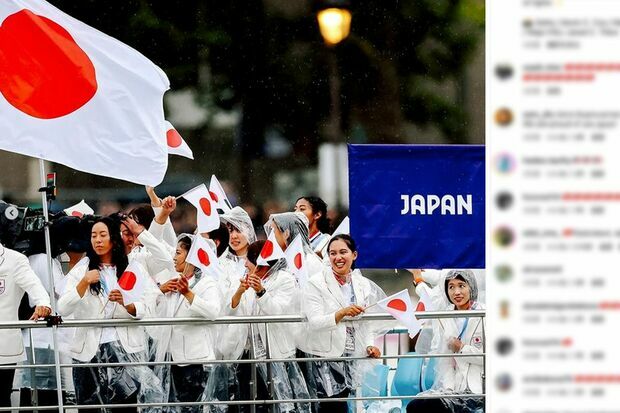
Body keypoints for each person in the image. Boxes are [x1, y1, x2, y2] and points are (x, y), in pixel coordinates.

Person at [57, 216, 162, 413]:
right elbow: (63, 308)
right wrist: (83, 283)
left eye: (102, 235)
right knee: (90, 407)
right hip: (88, 352)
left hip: (125, 350)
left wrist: (127, 305)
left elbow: (148, 303)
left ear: (113, 238)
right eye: (93, 235)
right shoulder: (82, 269)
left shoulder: (132, 267)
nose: (97, 240)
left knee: (125, 407)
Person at [211, 241, 309, 413]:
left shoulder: (284, 279)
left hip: (273, 352)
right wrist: (239, 292)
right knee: (245, 400)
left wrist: (261, 292)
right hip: (245, 352)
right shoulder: (244, 278)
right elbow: (228, 310)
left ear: (260, 261)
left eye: (249, 259)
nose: (245, 263)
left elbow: (277, 312)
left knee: (271, 402)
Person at [300, 235, 386, 413]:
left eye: (342, 252)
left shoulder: (362, 284)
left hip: (353, 355)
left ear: (354, 255)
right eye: (332, 253)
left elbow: (366, 322)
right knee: (330, 406)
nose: (337, 257)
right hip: (325, 356)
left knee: (351, 403)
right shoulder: (315, 283)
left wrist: (370, 345)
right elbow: (314, 322)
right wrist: (340, 314)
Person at [154, 235, 222, 413]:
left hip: (195, 360)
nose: (174, 258)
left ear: (191, 256)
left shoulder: (206, 282)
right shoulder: (173, 280)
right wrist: (160, 291)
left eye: (178, 253)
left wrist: (188, 294)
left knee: (195, 409)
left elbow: (213, 311)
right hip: (172, 359)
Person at [407, 270, 485, 413]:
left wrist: (461, 348)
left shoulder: (484, 315)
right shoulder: (445, 316)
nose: (456, 292)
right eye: (451, 287)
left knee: (432, 408)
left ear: (471, 287)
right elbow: (448, 362)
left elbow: (487, 357)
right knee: (414, 406)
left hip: (480, 390)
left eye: (461, 286)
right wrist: (448, 390)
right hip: (455, 389)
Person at [0, 243, 51, 408]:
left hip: (4, 345)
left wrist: (43, 303)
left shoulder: (14, 260)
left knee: (1, 397)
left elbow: (34, 285)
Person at [263, 212, 325, 285]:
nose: (270, 237)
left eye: (273, 231)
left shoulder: (309, 262)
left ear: (286, 234)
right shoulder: (279, 261)